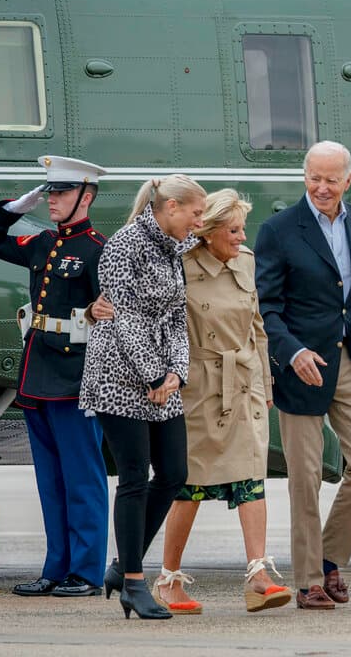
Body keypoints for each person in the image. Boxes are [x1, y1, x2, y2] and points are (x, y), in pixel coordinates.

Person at [254, 140, 351, 610]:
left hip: (350, 360)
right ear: (304, 176)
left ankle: (329, 557)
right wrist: (292, 353)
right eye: (315, 178)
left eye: (331, 179)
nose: (322, 187)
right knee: (305, 478)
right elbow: (266, 307)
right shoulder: (278, 230)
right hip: (301, 366)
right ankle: (310, 580)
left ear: (348, 180)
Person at [148, 188, 291, 614]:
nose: (242, 237)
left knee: (252, 478)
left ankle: (258, 576)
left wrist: (266, 385)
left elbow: (257, 328)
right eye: (233, 230)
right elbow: (160, 326)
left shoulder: (246, 262)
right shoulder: (181, 265)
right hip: (198, 388)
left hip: (243, 384)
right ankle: (168, 579)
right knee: (190, 486)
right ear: (208, 232)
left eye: (242, 229)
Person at [0, 155, 109, 598]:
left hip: (75, 378)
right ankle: (56, 568)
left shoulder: (98, 249)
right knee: (51, 483)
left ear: (85, 197)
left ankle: (86, 572)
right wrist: (12, 208)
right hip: (37, 376)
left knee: (82, 480)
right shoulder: (43, 242)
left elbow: (111, 319)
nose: (52, 199)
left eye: (62, 192)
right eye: (50, 191)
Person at [79, 174, 207, 619]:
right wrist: (154, 375)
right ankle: (134, 583)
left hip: (159, 376)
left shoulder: (174, 248)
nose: (199, 222)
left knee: (173, 472)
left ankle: (121, 566)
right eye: (195, 213)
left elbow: (176, 317)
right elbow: (125, 318)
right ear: (171, 207)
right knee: (134, 475)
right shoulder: (124, 245)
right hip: (117, 374)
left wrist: (176, 373)